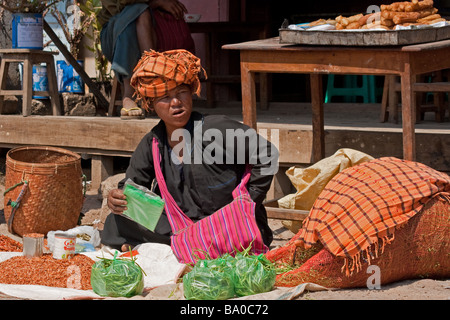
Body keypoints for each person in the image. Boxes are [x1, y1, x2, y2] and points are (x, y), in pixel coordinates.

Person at [101, 49, 279, 252]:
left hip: (229, 226)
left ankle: (182, 247)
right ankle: (190, 245)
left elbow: (267, 154)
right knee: (115, 223)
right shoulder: (152, 143)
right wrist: (119, 197)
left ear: (191, 93)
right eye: (165, 97)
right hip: (181, 227)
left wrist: (249, 200)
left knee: (234, 235)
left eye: (181, 93)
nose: (176, 102)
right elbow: (133, 188)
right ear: (151, 104)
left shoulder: (216, 128)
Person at [98, 0, 195, 119]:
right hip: (115, 32)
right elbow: (123, 5)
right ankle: (130, 94)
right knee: (137, 13)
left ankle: (157, 83)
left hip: (150, 26)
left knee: (145, 14)